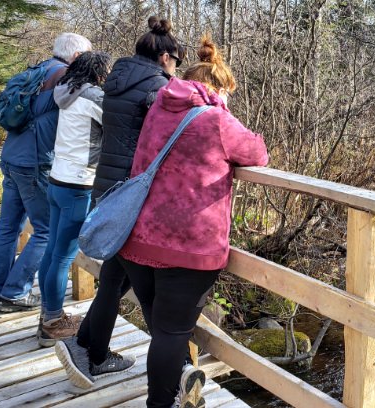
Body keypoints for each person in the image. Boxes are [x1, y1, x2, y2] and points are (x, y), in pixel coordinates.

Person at [122, 34, 267, 408]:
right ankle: (161, 402)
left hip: (138, 237)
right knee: (172, 332)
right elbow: (257, 152)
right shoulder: (217, 119)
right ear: (218, 88)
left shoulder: (159, 107)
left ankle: (177, 388)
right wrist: (226, 113)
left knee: (162, 327)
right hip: (188, 246)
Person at [54, 16, 184, 387]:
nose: (176, 67)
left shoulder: (115, 80)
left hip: (108, 185)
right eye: (176, 60)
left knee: (116, 274)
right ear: (165, 57)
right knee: (116, 279)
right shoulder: (157, 89)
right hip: (135, 192)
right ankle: (95, 356)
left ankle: (85, 343)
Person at [0, 33, 93, 313]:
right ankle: (14, 292)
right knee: (46, 230)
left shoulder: (35, 71)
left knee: (8, 228)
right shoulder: (64, 78)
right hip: (35, 162)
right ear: (75, 56)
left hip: (12, 156)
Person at [36, 51, 112, 347]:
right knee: (63, 256)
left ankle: (48, 316)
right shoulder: (92, 97)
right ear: (98, 72)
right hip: (79, 183)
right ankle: (53, 323)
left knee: (52, 251)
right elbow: (116, 122)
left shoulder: (65, 91)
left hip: (58, 179)